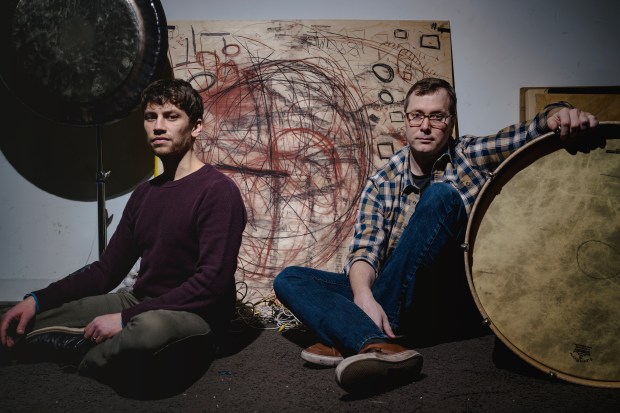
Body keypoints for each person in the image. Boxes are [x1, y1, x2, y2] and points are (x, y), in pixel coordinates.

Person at [273, 77, 600, 394]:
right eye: (416, 116)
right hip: (393, 292)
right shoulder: (382, 180)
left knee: (441, 196)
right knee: (290, 278)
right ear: (406, 121)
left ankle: (354, 335)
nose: (425, 126)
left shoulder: (470, 153)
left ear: (451, 121)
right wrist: (363, 297)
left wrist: (560, 113)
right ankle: (376, 342)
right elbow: (365, 252)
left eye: (437, 116)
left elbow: (528, 131)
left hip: (448, 296)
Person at [0, 78, 247, 388]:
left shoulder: (218, 192)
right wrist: (36, 300)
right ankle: (61, 341)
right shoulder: (144, 194)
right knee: (32, 317)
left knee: (146, 331)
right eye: (150, 117)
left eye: (171, 117)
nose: (158, 126)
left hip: (194, 315)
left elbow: (210, 284)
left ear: (196, 127)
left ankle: (85, 359)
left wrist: (125, 320)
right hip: (140, 301)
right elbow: (105, 271)